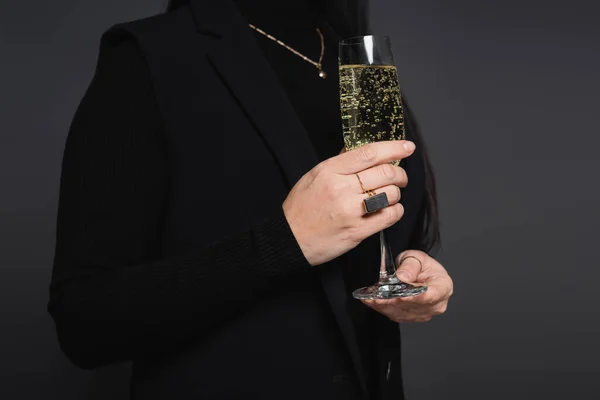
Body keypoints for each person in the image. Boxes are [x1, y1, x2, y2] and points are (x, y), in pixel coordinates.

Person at [47, 0, 453, 399]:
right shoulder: (151, 54)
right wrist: (283, 243)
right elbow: (85, 321)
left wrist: (405, 266)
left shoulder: (355, 55)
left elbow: (362, 243)